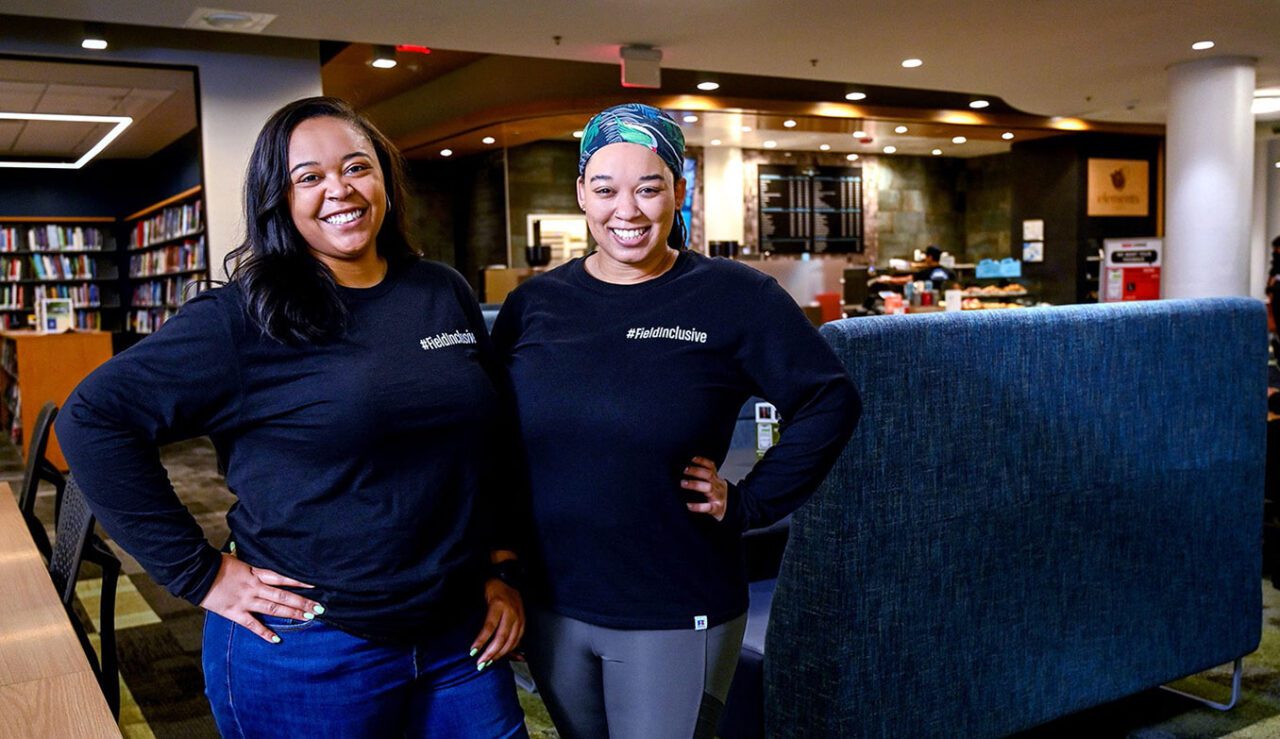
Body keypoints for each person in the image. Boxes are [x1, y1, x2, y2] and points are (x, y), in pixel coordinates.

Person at [56, 97, 528, 738]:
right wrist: (198, 574)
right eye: (309, 177)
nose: (340, 189)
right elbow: (92, 419)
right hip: (311, 647)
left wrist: (498, 569)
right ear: (279, 199)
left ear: (384, 177)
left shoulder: (439, 290)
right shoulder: (243, 316)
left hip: (458, 635)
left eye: (357, 166)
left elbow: (490, 444)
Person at [491, 103, 861, 739]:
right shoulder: (535, 304)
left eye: (649, 186)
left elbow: (829, 401)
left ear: (680, 190)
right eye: (605, 188)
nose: (626, 210)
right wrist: (502, 572)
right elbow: (494, 441)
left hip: (673, 600)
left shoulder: (733, 296)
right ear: (581, 192)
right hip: (554, 602)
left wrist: (751, 502)